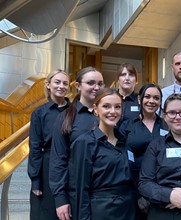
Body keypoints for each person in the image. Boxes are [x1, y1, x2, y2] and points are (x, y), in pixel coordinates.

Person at [68, 88, 136, 220]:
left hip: (128, 211)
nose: (113, 111)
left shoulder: (124, 143)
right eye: (106, 106)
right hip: (101, 212)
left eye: (117, 107)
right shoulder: (85, 143)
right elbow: (80, 189)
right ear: (95, 109)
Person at [49, 66, 104, 220]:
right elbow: (58, 160)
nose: (97, 87)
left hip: (106, 195)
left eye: (100, 83)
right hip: (76, 194)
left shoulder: (109, 115)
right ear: (78, 86)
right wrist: (60, 199)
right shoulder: (66, 118)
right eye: (91, 83)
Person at [119, 83, 169, 219]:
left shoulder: (167, 126)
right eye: (147, 97)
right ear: (139, 99)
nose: (151, 101)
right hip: (133, 187)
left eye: (156, 98)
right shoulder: (127, 126)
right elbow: (120, 157)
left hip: (162, 187)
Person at [28, 69, 70, 220]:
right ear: (48, 85)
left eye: (65, 83)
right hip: (47, 166)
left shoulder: (75, 111)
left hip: (70, 163)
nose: (61, 86)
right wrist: (36, 180)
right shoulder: (39, 113)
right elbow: (35, 147)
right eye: (57, 82)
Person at [116, 63, 140, 127]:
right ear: (118, 80)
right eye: (123, 75)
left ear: (136, 80)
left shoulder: (141, 100)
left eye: (131, 75)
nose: (127, 78)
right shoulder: (110, 98)